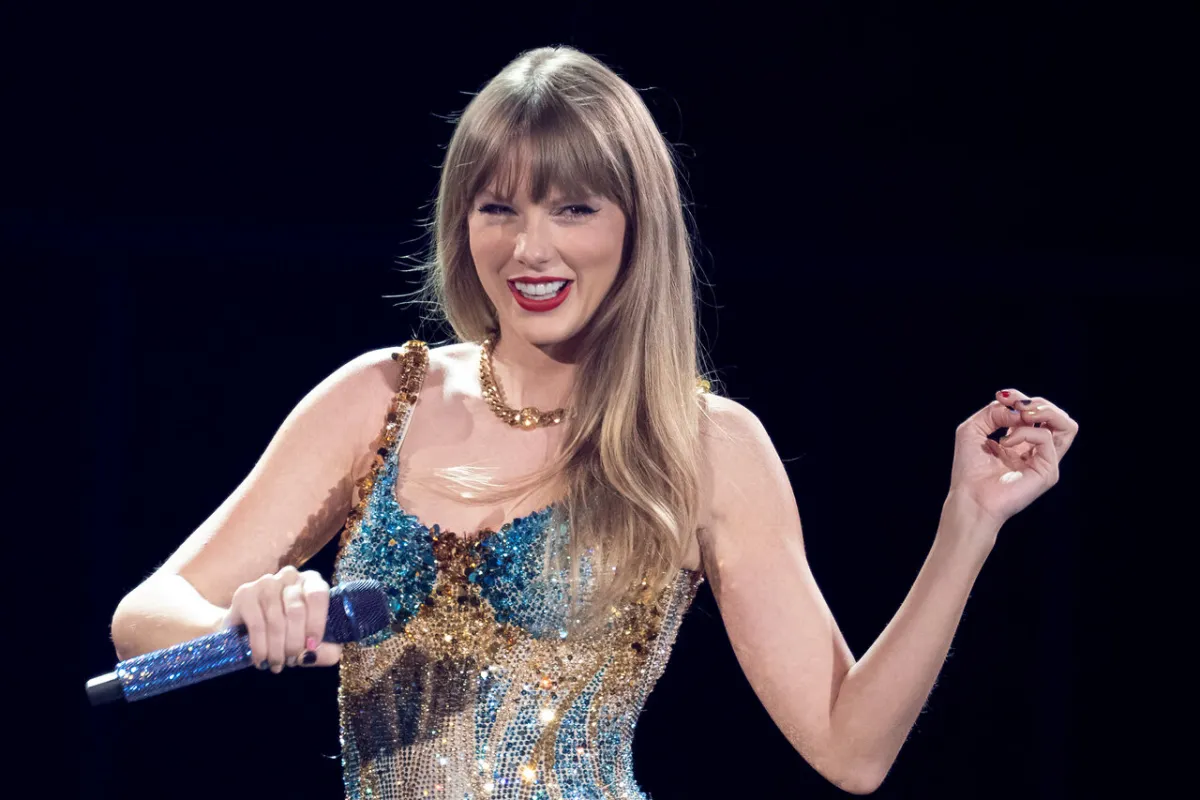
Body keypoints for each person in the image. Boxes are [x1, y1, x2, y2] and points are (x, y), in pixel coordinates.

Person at [109, 45, 1080, 798]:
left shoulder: (705, 448)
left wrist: (968, 522)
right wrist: (241, 621)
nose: (531, 245)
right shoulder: (380, 401)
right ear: (463, 224)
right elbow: (142, 621)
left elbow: (850, 744)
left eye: (572, 207)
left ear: (634, 225)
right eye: (499, 207)